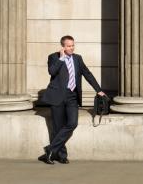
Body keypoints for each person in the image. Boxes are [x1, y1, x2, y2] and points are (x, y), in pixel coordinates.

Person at [38, 35, 105, 165]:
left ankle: (50, 150)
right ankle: (60, 155)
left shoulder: (78, 59)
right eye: (68, 46)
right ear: (63, 46)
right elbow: (52, 72)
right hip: (57, 97)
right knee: (58, 127)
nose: (71, 48)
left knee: (72, 123)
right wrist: (61, 58)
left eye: (73, 45)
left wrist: (98, 90)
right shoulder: (54, 57)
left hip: (72, 97)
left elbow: (87, 74)